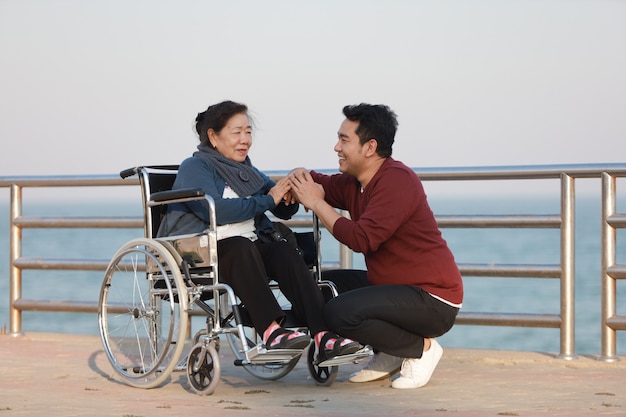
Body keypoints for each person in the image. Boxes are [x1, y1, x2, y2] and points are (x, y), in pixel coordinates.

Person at [157, 100, 360, 363]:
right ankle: (271, 330)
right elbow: (213, 211)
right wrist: (269, 199)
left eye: (249, 131)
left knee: (283, 252)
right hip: (203, 252)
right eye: (237, 132)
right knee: (241, 247)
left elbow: (280, 208)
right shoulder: (195, 167)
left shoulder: (246, 171)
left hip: (247, 250)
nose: (245, 140)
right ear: (213, 137)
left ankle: (324, 336)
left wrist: (290, 194)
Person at [288, 103, 463, 389]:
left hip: (432, 299)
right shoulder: (354, 183)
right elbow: (317, 182)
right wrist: (297, 177)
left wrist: (317, 204)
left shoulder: (397, 180)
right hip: (391, 288)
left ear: (370, 147)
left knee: (339, 312)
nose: (336, 147)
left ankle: (422, 349)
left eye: (344, 140)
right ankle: (392, 351)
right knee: (313, 287)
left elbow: (362, 239)